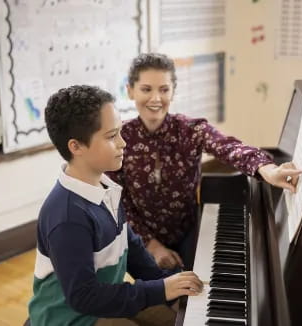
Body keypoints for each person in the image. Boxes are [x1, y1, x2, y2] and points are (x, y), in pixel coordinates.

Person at [106, 53, 302, 270]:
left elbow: (229, 147)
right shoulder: (119, 136)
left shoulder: (191, 130)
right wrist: (150, 244)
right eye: (146, 89)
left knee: (197, 282)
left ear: (173, 91)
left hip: (187, 230)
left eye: (164, 89)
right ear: (130, 91)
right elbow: (117, 200)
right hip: (139, 237)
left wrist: (268, 170)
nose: (156, 98)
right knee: (162, 289)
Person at [28, 85, 203, 326]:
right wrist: (160, 290)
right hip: (69, 318)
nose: (123, 143)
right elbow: (83, 297)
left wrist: (171, 289)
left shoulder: (106, 187)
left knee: (177, 319)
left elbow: (132, 250)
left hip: (104, 302)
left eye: (120, 132)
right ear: (76, 147)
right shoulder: (67, 216)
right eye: (112, 136)